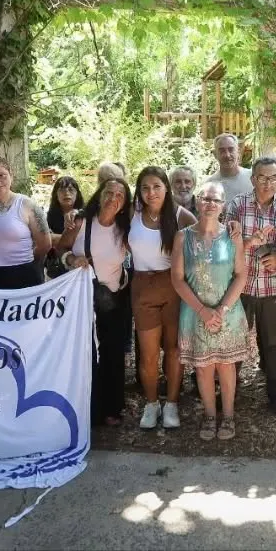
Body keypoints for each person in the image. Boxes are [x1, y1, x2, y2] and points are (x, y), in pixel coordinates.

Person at [171, 182, 250, 441]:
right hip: (194, 313)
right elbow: (178, 279)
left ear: (223, 205)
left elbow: (240, 275)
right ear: (197, 201)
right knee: (203, 368)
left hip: (228, 312)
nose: (210, 204)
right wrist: (203, 311)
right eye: (205, 199)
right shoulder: (183, 237)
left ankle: (228, 415)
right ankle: (209, 415)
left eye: (216, 200)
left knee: (226, 366)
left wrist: (222, 309)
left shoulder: (232, 235)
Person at [226, 157, 276, 415]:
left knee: (273, 343)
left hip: (269, 287)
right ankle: (229, 393)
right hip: (240, 286)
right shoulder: (237, 205)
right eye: (262, 177)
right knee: (234, 340)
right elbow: (223, 245)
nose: (267, 183)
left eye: (272, 178)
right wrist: (247, 242)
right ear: (253, 179)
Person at [62, 177, 132, 427]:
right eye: (109, 192)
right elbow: (60, 249)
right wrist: (71, 259)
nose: (113, 198)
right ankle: (88, 409)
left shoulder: (126, 228)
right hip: (81, 300)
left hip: (112, 300)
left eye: (120, 195)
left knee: (112, 354)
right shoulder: (80, 222)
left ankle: (112, 408)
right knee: (85, 354)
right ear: (99, 194)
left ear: (125, 203)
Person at [131, 166, 196, 430]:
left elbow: (208, 233)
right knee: (147, 354)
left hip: (173, 286)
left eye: (156, 186)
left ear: (166, 188)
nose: (151, 192)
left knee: (173, 349)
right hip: (142, 287)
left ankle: (171, 403)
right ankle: (151, 403)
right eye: (145, 188)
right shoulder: (131, 215)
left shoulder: (180, 216)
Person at [0, 150, 50, 289]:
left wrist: (25, 263)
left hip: (23, 278)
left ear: (11, 175)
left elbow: (45, 244)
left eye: (2, 176)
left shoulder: (27, 205)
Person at [46, 176, 85, 278]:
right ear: (56, 195)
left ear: (77, 194)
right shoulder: (50, 216)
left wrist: (61, 239)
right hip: (58, 267)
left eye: (71, 189)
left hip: (82, 264)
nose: (66, 193)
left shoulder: (85, 215)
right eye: (62, 190)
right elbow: (47, 239)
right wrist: (72, 238)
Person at [205, 133, 252, 200]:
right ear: (215, 154)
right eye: (222, 151)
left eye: (231, 149)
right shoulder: (210, 184)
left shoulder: (253, 178)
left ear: (238, 151)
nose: (227, 155)